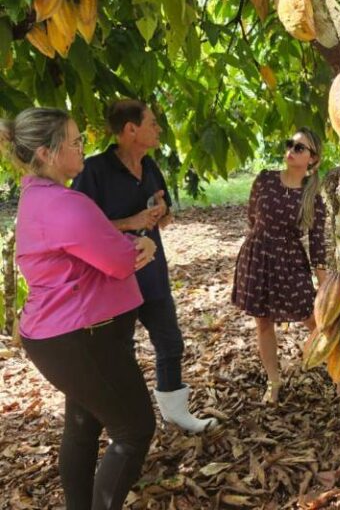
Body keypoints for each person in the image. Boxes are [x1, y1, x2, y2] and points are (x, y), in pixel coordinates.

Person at [2, 107, 157, 509]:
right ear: (46, 154)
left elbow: (92, 250)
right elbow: (118, 260)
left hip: (66, 335)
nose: (82, 148)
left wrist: (126, 246)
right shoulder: (65, 204)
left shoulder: (39, 196)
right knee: (134, 428)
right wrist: (142, 245)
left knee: (83, 425)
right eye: (74, 142)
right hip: (81, 336)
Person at [72, 100, 217, 433]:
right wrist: (129, 222)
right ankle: (124, 425)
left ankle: (175, 412)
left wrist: (160, 211)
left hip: (151, 273)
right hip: (113, 279)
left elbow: (162, 216)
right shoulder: (95, 171)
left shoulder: (149, 165)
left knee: (169, 342)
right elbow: (80, 228)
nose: (159, 128)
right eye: (152, 123)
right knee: (120, 352)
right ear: (130, 130)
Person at [232, 128, 327, 403]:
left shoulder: (312, 196)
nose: (292, 151)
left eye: (300, 148)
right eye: (290, 144)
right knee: (263, 322)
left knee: (314, 320)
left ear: (313, 158)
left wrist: (324, 288)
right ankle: (273, 381)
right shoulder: (265, 179)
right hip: (257, 256)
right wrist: (263, 243)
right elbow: (253, 217)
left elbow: (318, 243)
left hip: (290, 262)